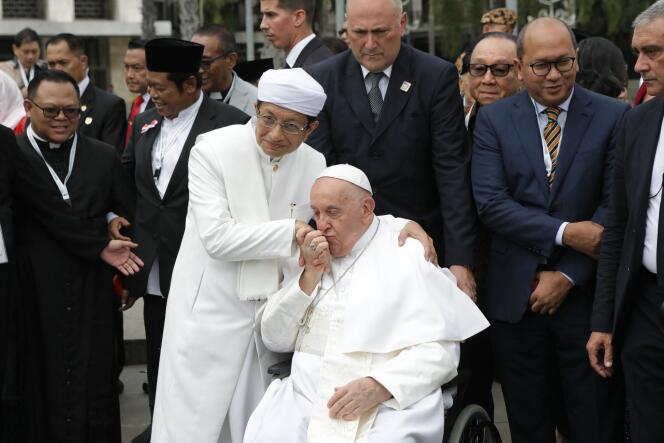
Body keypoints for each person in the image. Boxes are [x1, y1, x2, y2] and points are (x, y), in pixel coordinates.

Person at [151, 68, 434, 443]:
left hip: (269, 315)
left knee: (258, 425)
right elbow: (217, 239)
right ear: (255, 108)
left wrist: (399, 225)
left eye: (291, 126)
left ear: (311, 128)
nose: (275, 134)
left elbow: (340, 210)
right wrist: (293, 232)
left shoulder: (314, 163)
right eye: (267, 118)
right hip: (208, 312)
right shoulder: (212, 149)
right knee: (194, 426)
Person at [245, 164, 489, 442]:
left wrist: (379, 386)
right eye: (316, 213)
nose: (321, 224)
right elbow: (275, 340)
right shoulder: (311, 254)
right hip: (305, 399)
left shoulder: (406, 253)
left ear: (365, 209)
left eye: (333, 212)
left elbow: (442, 354)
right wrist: (309, 277)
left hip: (387, 405)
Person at [471, 18, 630, 443]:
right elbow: (491, 204)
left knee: (594, 423)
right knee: (528, 425)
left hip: (588, 300)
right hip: (517, 302)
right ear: (521, 68)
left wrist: (567, 274)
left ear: (577, 60)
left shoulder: (614, 116)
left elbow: (616, 204)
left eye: (564, 62)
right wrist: (563, 232)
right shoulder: (494, 120)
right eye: (541, 65)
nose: (555, 74)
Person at [117, 37, 249, 443]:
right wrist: (113, 219)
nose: (148, 93)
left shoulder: (230, 122)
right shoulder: (143, 123)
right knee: (160, 356)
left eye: (159, 87)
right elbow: (127, 184)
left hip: (204, 266)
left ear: (190, 85)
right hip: (154, 266)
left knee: (199, 358)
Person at [307, 0, 478, 297]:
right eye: (359, 32)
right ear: (346, 28)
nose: (370, 43)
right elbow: (322, 169)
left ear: (402, 24)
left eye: (380, 31)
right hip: (346, 246)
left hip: (420, 245)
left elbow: (452, 171)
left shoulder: (434, 76)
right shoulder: (322, 79)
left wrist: (460, 261)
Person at [10, 69, 142, 442]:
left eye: (71, 110)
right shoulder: (14, 155)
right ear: (27, 107)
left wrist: (115, 221)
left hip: (91, 287)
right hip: (32, 287)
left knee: (95, 380)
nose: (62, 119)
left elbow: (127, 212)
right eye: (51, 111)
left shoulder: (102, 156)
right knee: (39, 378)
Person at [587, 2, 664, 441]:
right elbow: (618, 228)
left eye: (652, 51)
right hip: (645, 313)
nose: (639, 65)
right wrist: (605, 321)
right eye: (638, 52)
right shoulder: (638, 123)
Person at [45, 33, 127, 154]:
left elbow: (111, 160)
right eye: (51, 64)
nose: (57, 69)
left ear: (83, 61)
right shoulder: (40, 103)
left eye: (63, 62)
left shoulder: (109, 106)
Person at [192, 24, 258, 116]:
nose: (198, 70)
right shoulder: (181, 100)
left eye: (205, 62)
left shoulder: (257, 101)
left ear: (231, 60)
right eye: (193, 61)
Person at [465, 32, 521, 138]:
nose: (487, 80)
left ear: (521, 72)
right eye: (479, 69)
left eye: (500, 70)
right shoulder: (453, 124)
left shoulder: (541, 126)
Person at [260, 0, 333, 68]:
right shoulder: (313, 62)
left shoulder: (318, 68)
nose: (262, 25)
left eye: (270, 15)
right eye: (262, 15)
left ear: (298, 18)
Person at [124, 38, 153, 147]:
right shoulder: (136, 103)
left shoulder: (163, 105)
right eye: (126, 67)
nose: (129, 75)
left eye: (137, 68)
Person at [0, 28, 45, 96]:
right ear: (15, 49)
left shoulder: (47, 67)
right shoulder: (3, 69)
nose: (30, 56)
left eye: (34, 51)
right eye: (26, 52)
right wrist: (20, 95)